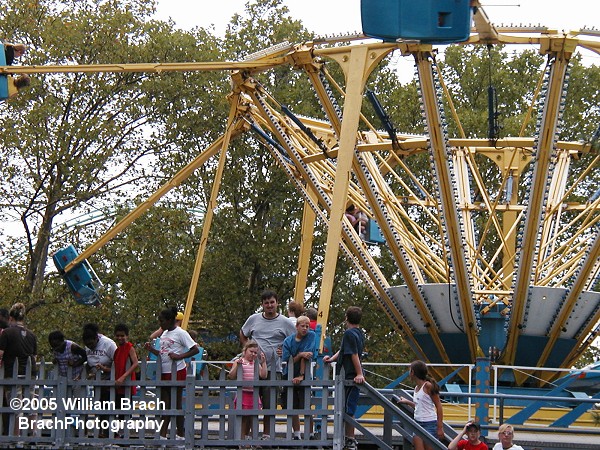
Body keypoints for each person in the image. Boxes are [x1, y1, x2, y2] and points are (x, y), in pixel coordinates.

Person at [239, 290, 296, 441]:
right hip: (253, 368)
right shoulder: (253, 319)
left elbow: (295, 339)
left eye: (272, 302)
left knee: (270, 404)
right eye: (266, 303)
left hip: (274, 368)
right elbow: (243, 333)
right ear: (262, 305)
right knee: (250, 403)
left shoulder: (285, 322)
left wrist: (284, 349)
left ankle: (267, 435)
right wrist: (248, 348)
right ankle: (248, 435)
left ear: (277, 303)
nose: (269, 305)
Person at [145, 306, 199, 439]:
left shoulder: (181, 333)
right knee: (166, 404)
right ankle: (168, 434)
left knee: (176, 404)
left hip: (177, 371)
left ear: (170, 320)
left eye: (162, 321)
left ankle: (177, 434)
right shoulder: (164, 334)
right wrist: (152, 350)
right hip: (164, 370)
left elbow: (195, 349)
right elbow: (163, 353)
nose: (160, 324)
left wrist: (180, 356)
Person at [323, 306, 365, 450]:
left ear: (346, 318)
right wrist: (332, 359)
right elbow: (344, 349)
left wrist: (359, 373)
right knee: (345, 407)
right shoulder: (358, 333)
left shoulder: (349, 333)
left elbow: (354, 354)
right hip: (348, 374)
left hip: (351, 375)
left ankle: (350, 439)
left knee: (348, 409)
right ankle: (347, 438)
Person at [0, 302, 37, 436]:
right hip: (30, 373)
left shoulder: (6, 333)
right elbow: (34, 356)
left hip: (12, 374)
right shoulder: (32, 335)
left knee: (16, 406)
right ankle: (31, 434)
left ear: (11, 318)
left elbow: (0, 354)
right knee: (30, 404)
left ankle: (17, 436)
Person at [395, 360, 444, 450]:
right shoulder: (416, 388)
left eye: (410, 370)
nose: (409, 373)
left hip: (429, 423)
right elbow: (419, 406)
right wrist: (407, 402)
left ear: (413, 372)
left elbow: (438, 405)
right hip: (417, 423)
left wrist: (440, 426)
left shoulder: (428, 386)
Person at [282, 315, 316, 441]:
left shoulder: (311, 336)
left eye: (307, 326)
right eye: (302, 326)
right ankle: (296, 433)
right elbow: (286, 360)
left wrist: (301, 375)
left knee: (306, 405)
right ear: (296, 326)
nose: (305, 328)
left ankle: (310, 434)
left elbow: (307, 356)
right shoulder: (288, 341)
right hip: (289, 375)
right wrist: (300, 354)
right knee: (291, 405)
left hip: (304, 375)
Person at [227, 340, 267, 443]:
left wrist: (264, 362)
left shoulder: (255, 363)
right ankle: (242, 439)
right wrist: (238, 366)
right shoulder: (239, 361)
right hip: (243, 393)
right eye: (251, 351)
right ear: (245, 351)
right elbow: (231, 375)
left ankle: (248, 438)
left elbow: (263, 375)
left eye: (255, 352)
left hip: (253, 394)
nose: (253, 354)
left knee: (252, 418)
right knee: (243, 418)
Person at [113, 323, 139, 405]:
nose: (120, 338)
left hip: (126, 384)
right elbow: (116, 367)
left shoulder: (130, 347)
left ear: (127, 336)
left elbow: (135, 364)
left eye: (122, 336)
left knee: (125, 412)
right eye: (117, 336)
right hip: (118, 385)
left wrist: (123, 377)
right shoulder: (117, 350)